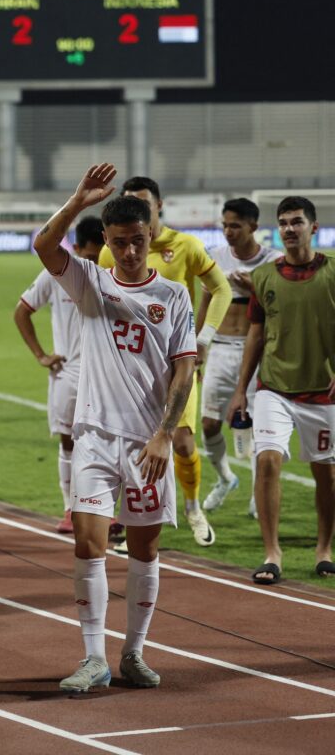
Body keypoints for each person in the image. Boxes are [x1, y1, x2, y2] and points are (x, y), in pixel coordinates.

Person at [33, 164, 196, 694]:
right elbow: (43, 243)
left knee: (145, 550)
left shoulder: (173, 297)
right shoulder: (89, 282)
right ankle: (93, 657)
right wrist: (79, 198)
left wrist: (164, 433)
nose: (129, 252)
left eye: (138, 242)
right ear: (106, 240)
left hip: (148, 442)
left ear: (152, 237)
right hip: (96, 437)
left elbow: (184, 368)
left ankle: (133, 653)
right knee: (89, 545)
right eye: (120, 242)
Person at [98, 176, 231, 547]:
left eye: (143, 202)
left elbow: (220, 288)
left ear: (159, 205)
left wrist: (203, 338)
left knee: (183, 443)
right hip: (133, 369)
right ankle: (133, 519)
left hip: (176, 363)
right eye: (129, 202)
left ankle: (191, 507)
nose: (137, 208)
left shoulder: (185, 245)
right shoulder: (110, 251)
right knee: (132, 443)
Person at [230, 196, 335, 585]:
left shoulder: (333, 273)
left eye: (297, 222)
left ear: (313, 227)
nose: (290, 229)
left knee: (326, 475)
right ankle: (272, 553)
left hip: (323, 391)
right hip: (273, 387)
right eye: (284, 223)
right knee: (268, 460)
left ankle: (324, 549)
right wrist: (241, 389)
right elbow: (255, 334)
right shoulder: (265, 277)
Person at [14, 217, 106, 534]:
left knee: (104, 442)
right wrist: (41, 354)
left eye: (100, 255)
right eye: (90, 256)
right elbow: (22, 311)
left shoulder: (112, 275)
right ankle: (69, 508)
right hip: (68, 371)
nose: (94, 262)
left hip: (105, 374)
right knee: (69, 441)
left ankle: (102, 509)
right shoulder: (55, 274)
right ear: (77, 248)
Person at [199, 199, 282, 518]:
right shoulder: (215, 257)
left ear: (253, 228)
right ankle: (225, 478)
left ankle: (257, 492)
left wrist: (255, 288)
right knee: (208, 424)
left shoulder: (272, 262)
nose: (228, 231)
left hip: (257, 352)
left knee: (260, 428)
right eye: (225, 225)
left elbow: (279, 310)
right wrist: (198, 346)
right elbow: (206, 301)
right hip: (219, 347)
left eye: (235, 225)